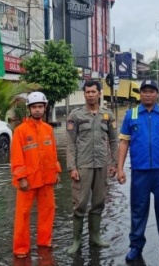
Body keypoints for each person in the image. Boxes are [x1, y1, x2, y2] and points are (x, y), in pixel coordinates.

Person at [116, 79, 159, 262]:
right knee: (138, 210)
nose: (148, 94)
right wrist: (119, 168)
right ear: (140, 94)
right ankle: (136, 247)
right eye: (144, 91)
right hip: (140, 171)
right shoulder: (131, 115)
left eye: (151, 91)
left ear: (157, 94)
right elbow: (124, 142)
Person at [65, 80, 119, 254]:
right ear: (84, 94)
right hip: (83, 166)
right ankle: (76, 241)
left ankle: (95, 237)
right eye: (87, 92)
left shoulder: (107, 115)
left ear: (99, 93)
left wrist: (114, 163)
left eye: (93, 92)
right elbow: (71, 143)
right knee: (79, 203)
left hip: (102, 164)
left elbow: (113, 141)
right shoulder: (76, 115)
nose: (90, 95)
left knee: (99, 202)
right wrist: (72, 167)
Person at [10, 92, 62, 258]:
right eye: (34, 107)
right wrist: (21, 177)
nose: (38, 110)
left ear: (44, 108)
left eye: (40, 106)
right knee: (23, 215)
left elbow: (53, 153)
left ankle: (44, 241)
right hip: (28, 180)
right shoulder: (20, 131)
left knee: (48, 211)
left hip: (47, 179)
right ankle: (20, 248)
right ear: (29, 109)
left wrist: (57, 171)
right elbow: (17, 156)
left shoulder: (48, 129)